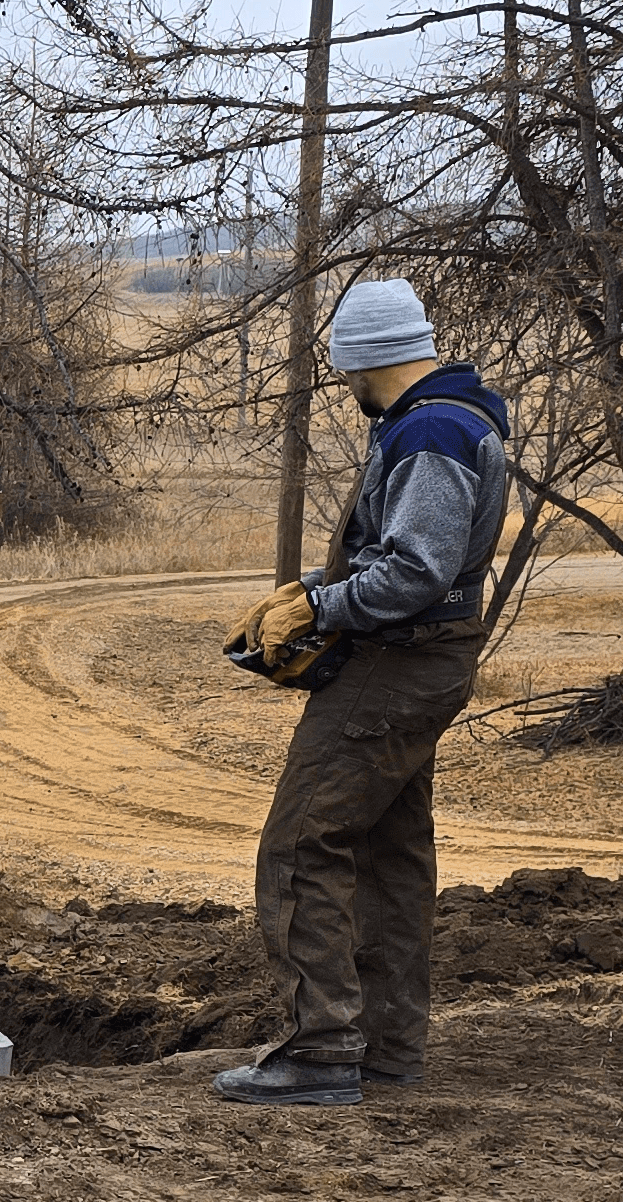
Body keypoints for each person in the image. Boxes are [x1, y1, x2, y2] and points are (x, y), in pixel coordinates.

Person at [215, 279, 510, 1106]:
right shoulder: (453, 416)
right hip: (424, 661)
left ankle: (319, 1051)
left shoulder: (429, 431)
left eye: (340, 362)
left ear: (360, 356)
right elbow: (410, 551)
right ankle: (385, 1045)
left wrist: (319, 605)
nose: (339, 381)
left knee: (302, 846)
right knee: (389, 854)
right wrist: (308, 587)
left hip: (396, 665)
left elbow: (416, 572)